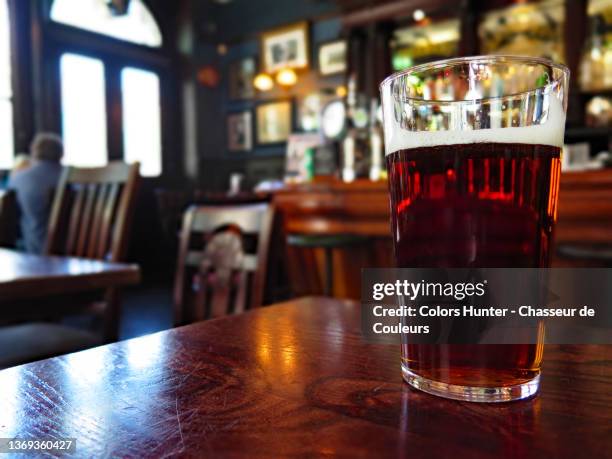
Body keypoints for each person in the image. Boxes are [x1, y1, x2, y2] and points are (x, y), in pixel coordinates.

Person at [8, 133, 64, 254]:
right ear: (61, 153)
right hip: (80, 251)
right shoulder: (76, 177)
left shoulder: (20, 178)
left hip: (36, 251)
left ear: (34, 152)